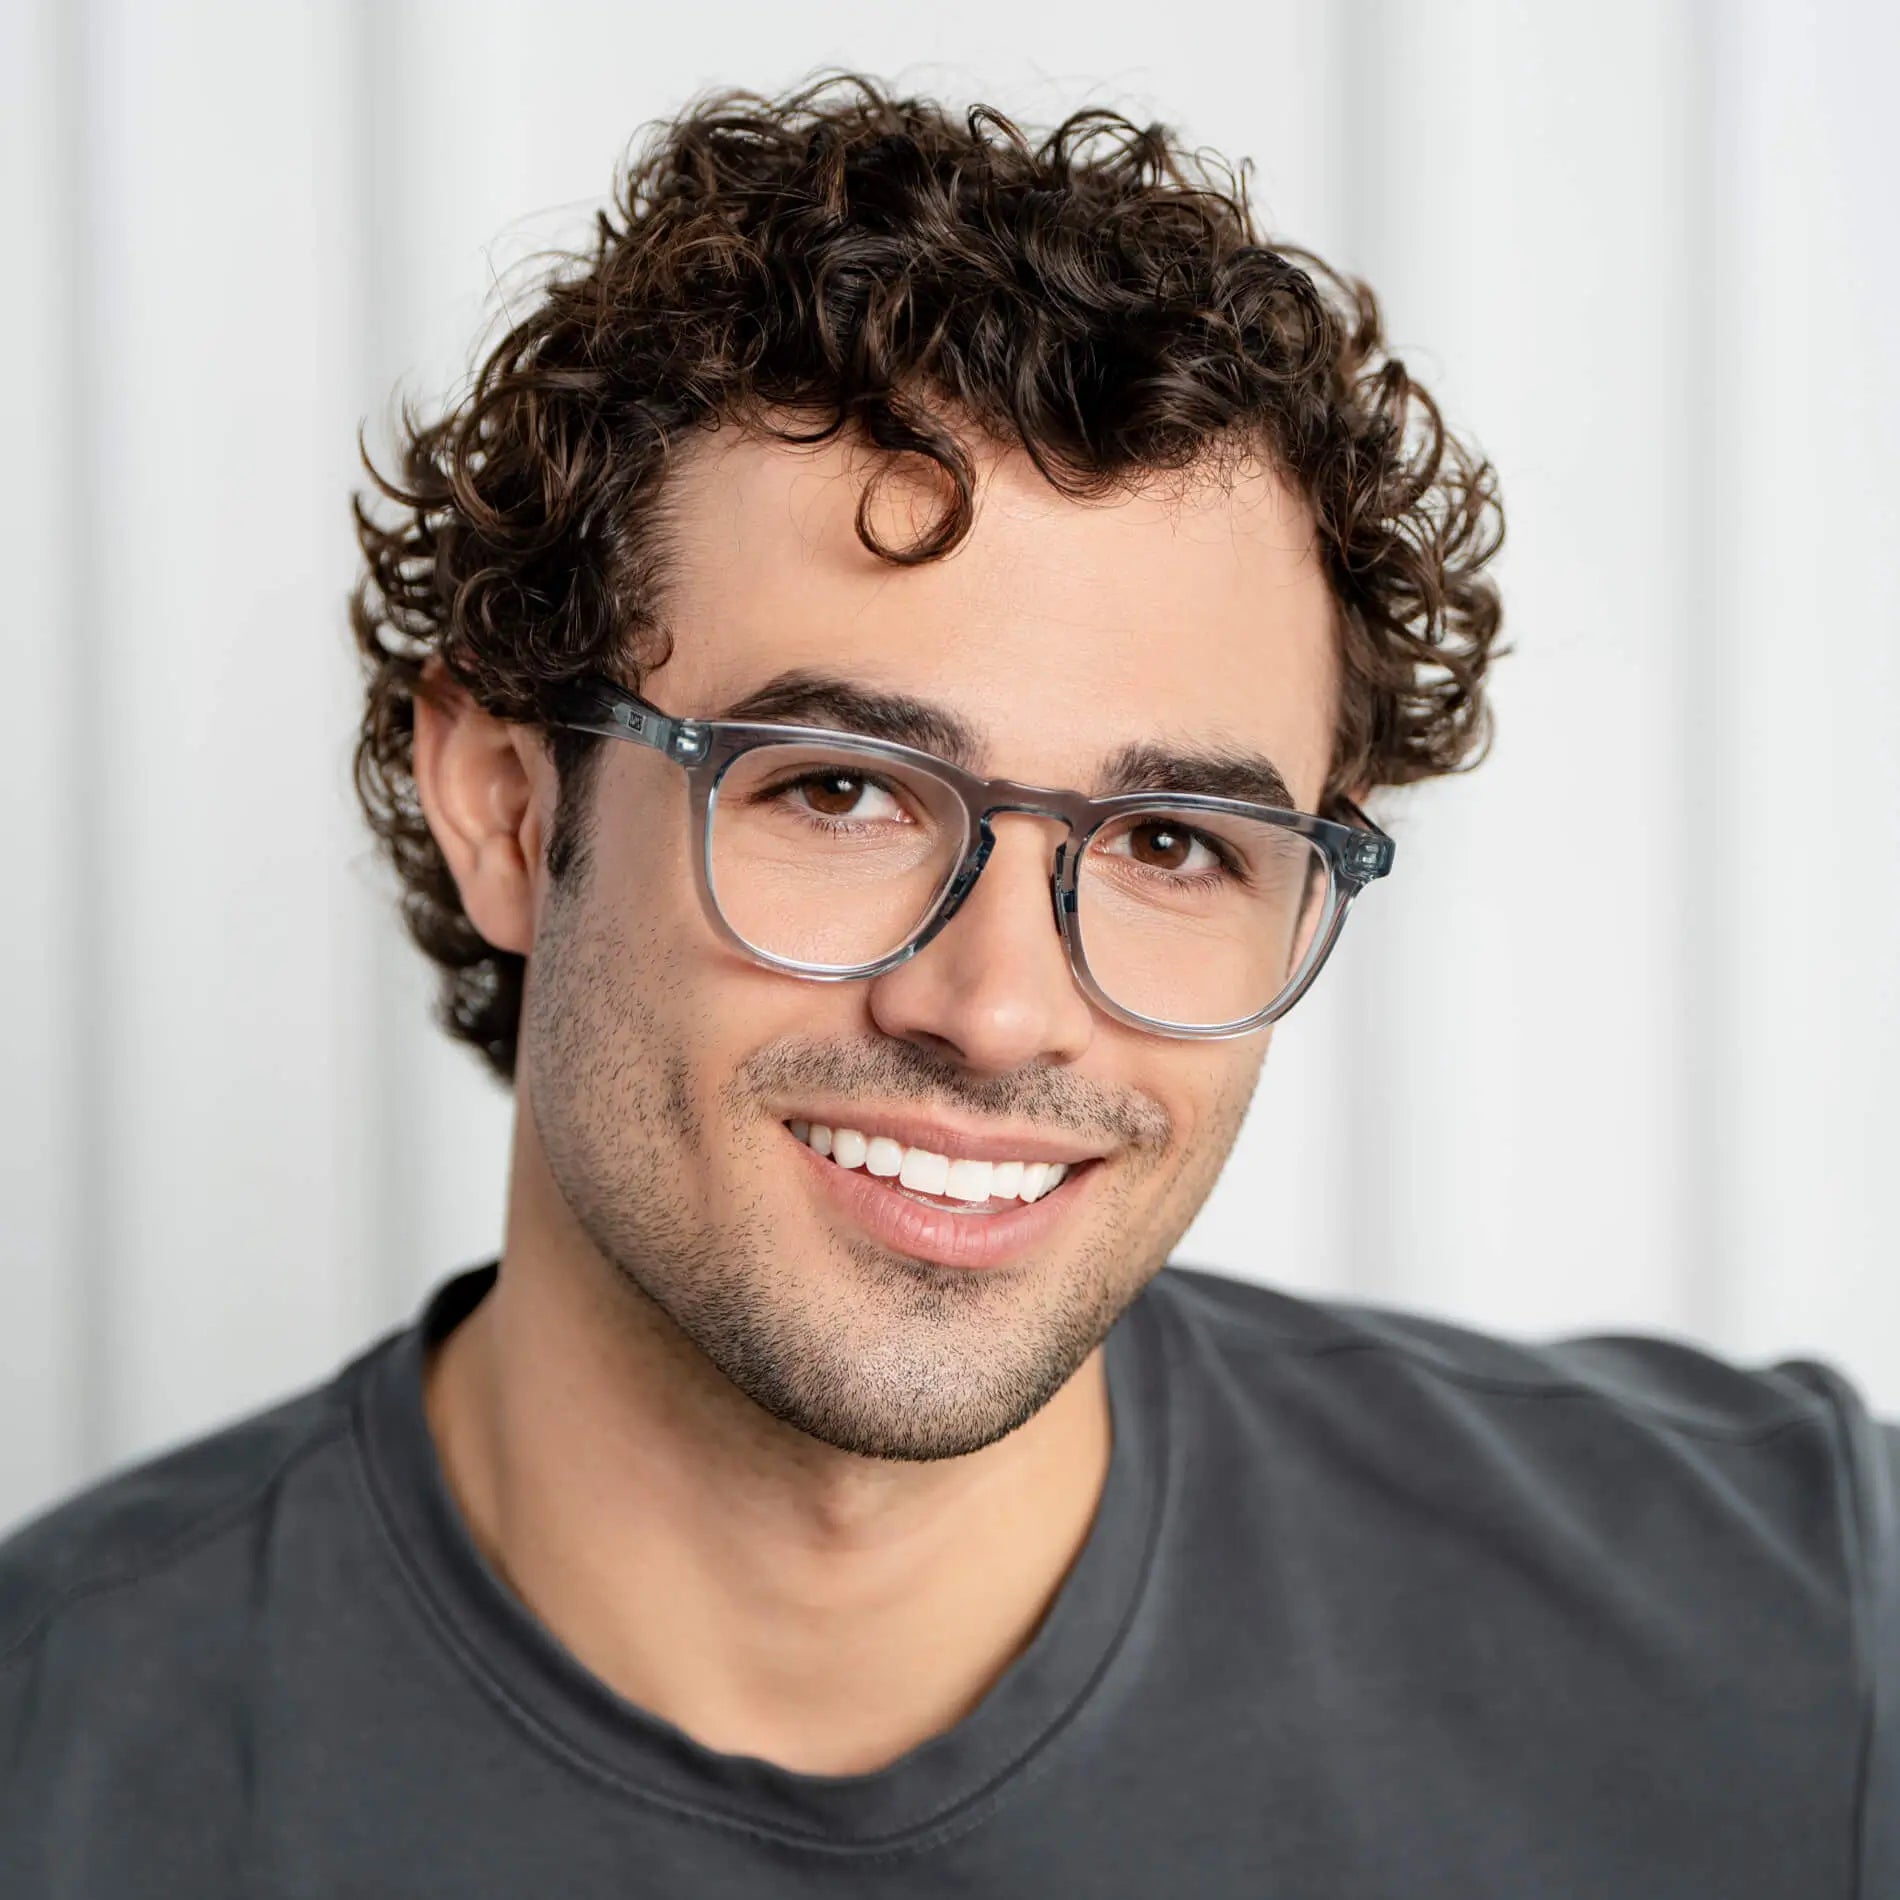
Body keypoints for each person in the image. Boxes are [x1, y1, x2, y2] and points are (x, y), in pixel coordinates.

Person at [2, 70, 1894, 1898]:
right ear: (509, 807)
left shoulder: (1808, 1622)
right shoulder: (55, 1772)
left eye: (1171, 845)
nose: (997, 1010)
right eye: (841, 791)